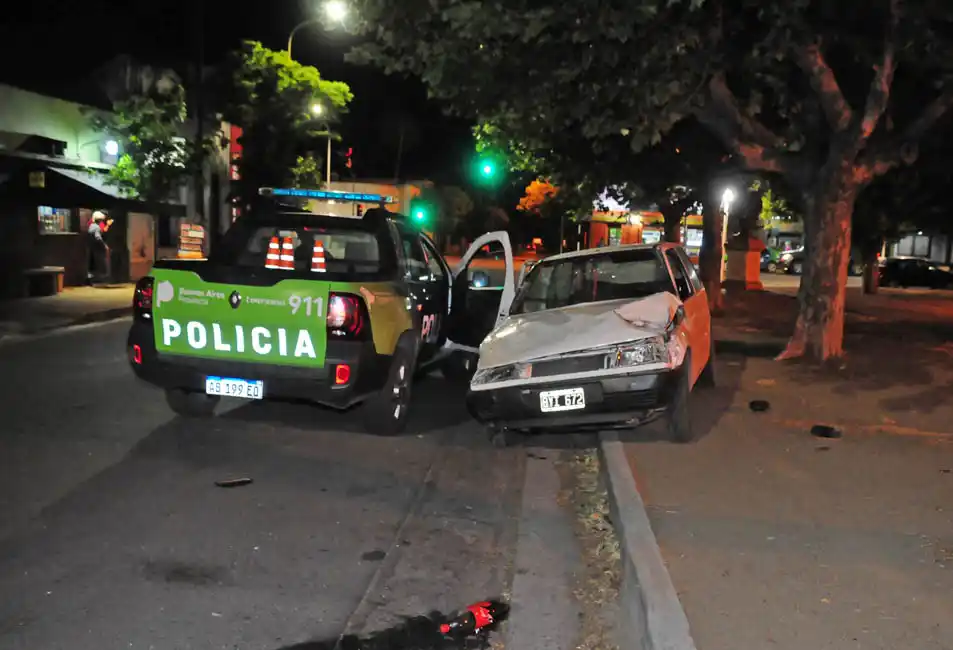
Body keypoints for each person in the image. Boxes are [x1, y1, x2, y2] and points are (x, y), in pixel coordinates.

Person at [87, 211, 110, 285]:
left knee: (92, 264)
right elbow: (98, 237)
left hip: (91, 247)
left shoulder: (91, 226)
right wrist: (104, 245)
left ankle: (90, 279)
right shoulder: (97, 227)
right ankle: (98, 279)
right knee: (98, 263)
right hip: (97, 248)